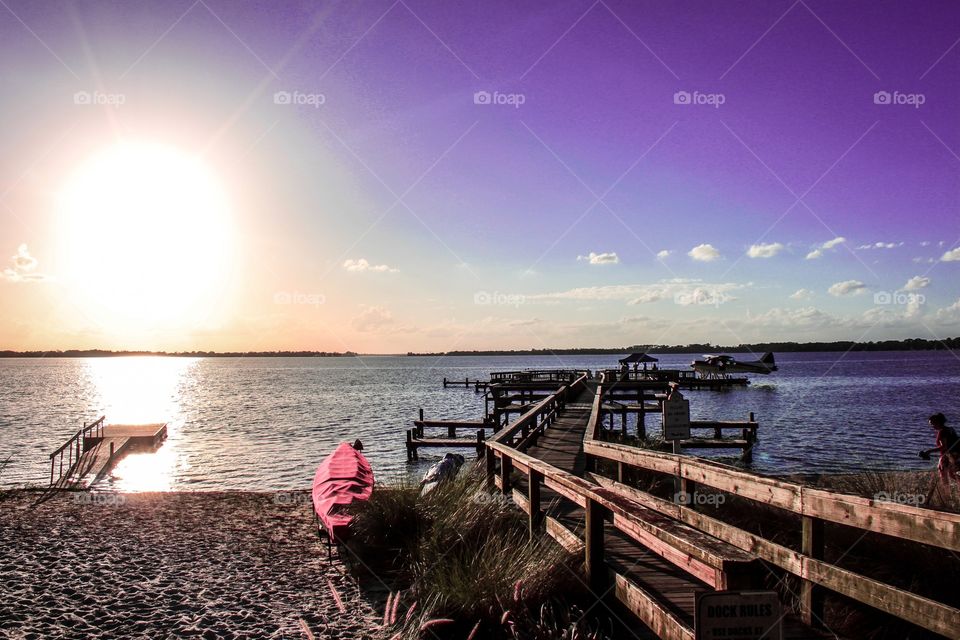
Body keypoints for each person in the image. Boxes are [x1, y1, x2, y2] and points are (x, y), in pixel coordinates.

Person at [919, 413, 960, 487]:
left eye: (932, 424)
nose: (932, 426)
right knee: (953, 474)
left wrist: (928, 451)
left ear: (937, 422)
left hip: (947, 456)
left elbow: (944, 447)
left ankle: (946, 494)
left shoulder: (942, 432)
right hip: (956, 455)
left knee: (943, 474)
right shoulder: (951, 429)